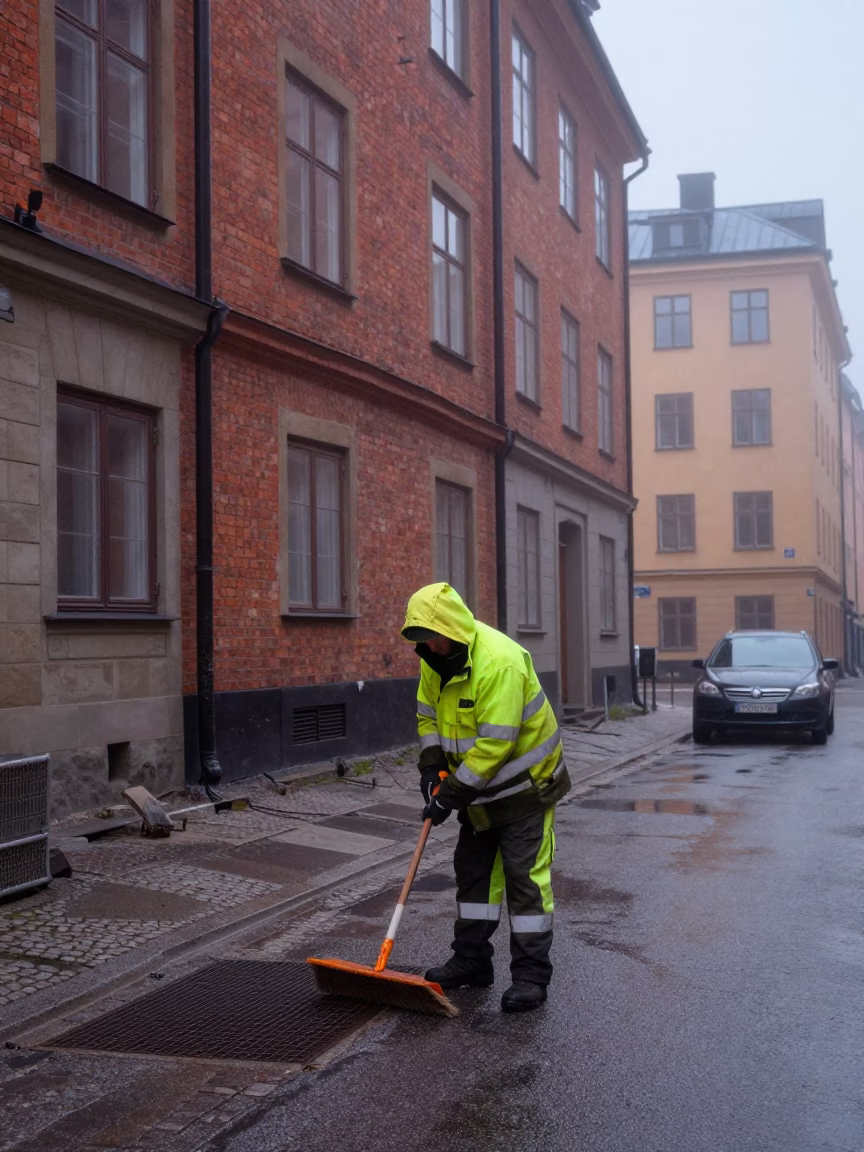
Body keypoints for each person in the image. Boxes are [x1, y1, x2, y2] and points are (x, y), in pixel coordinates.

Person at [401, 582, 570, 1012]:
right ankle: (472, 962)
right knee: (474, 876)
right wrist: (431, 766)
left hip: (526, 788)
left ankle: (531, 977)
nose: (430, 648)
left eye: (434, 638)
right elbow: (427, 714)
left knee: (524, 880)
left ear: (454, 629)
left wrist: (449, 795)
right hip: (477, 793)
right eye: (421, 640)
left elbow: (496, 745)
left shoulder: (500, 664)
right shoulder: (433, 661)